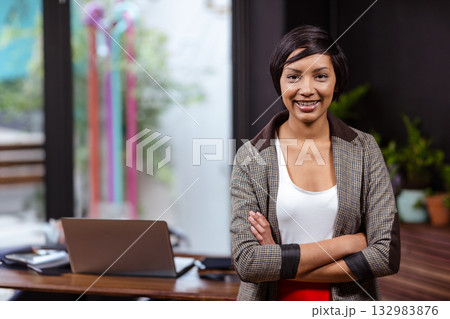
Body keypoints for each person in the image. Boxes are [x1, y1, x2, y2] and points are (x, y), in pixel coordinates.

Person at [230, 25, 400, 301]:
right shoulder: (251, 157)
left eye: (320, 76)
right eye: (294, 77)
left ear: (336, 81)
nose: (306, 90)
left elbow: (385, 255)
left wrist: (278, 259)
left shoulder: (364, 150)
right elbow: (248, 262)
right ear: (280, 82)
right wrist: (347, 243)